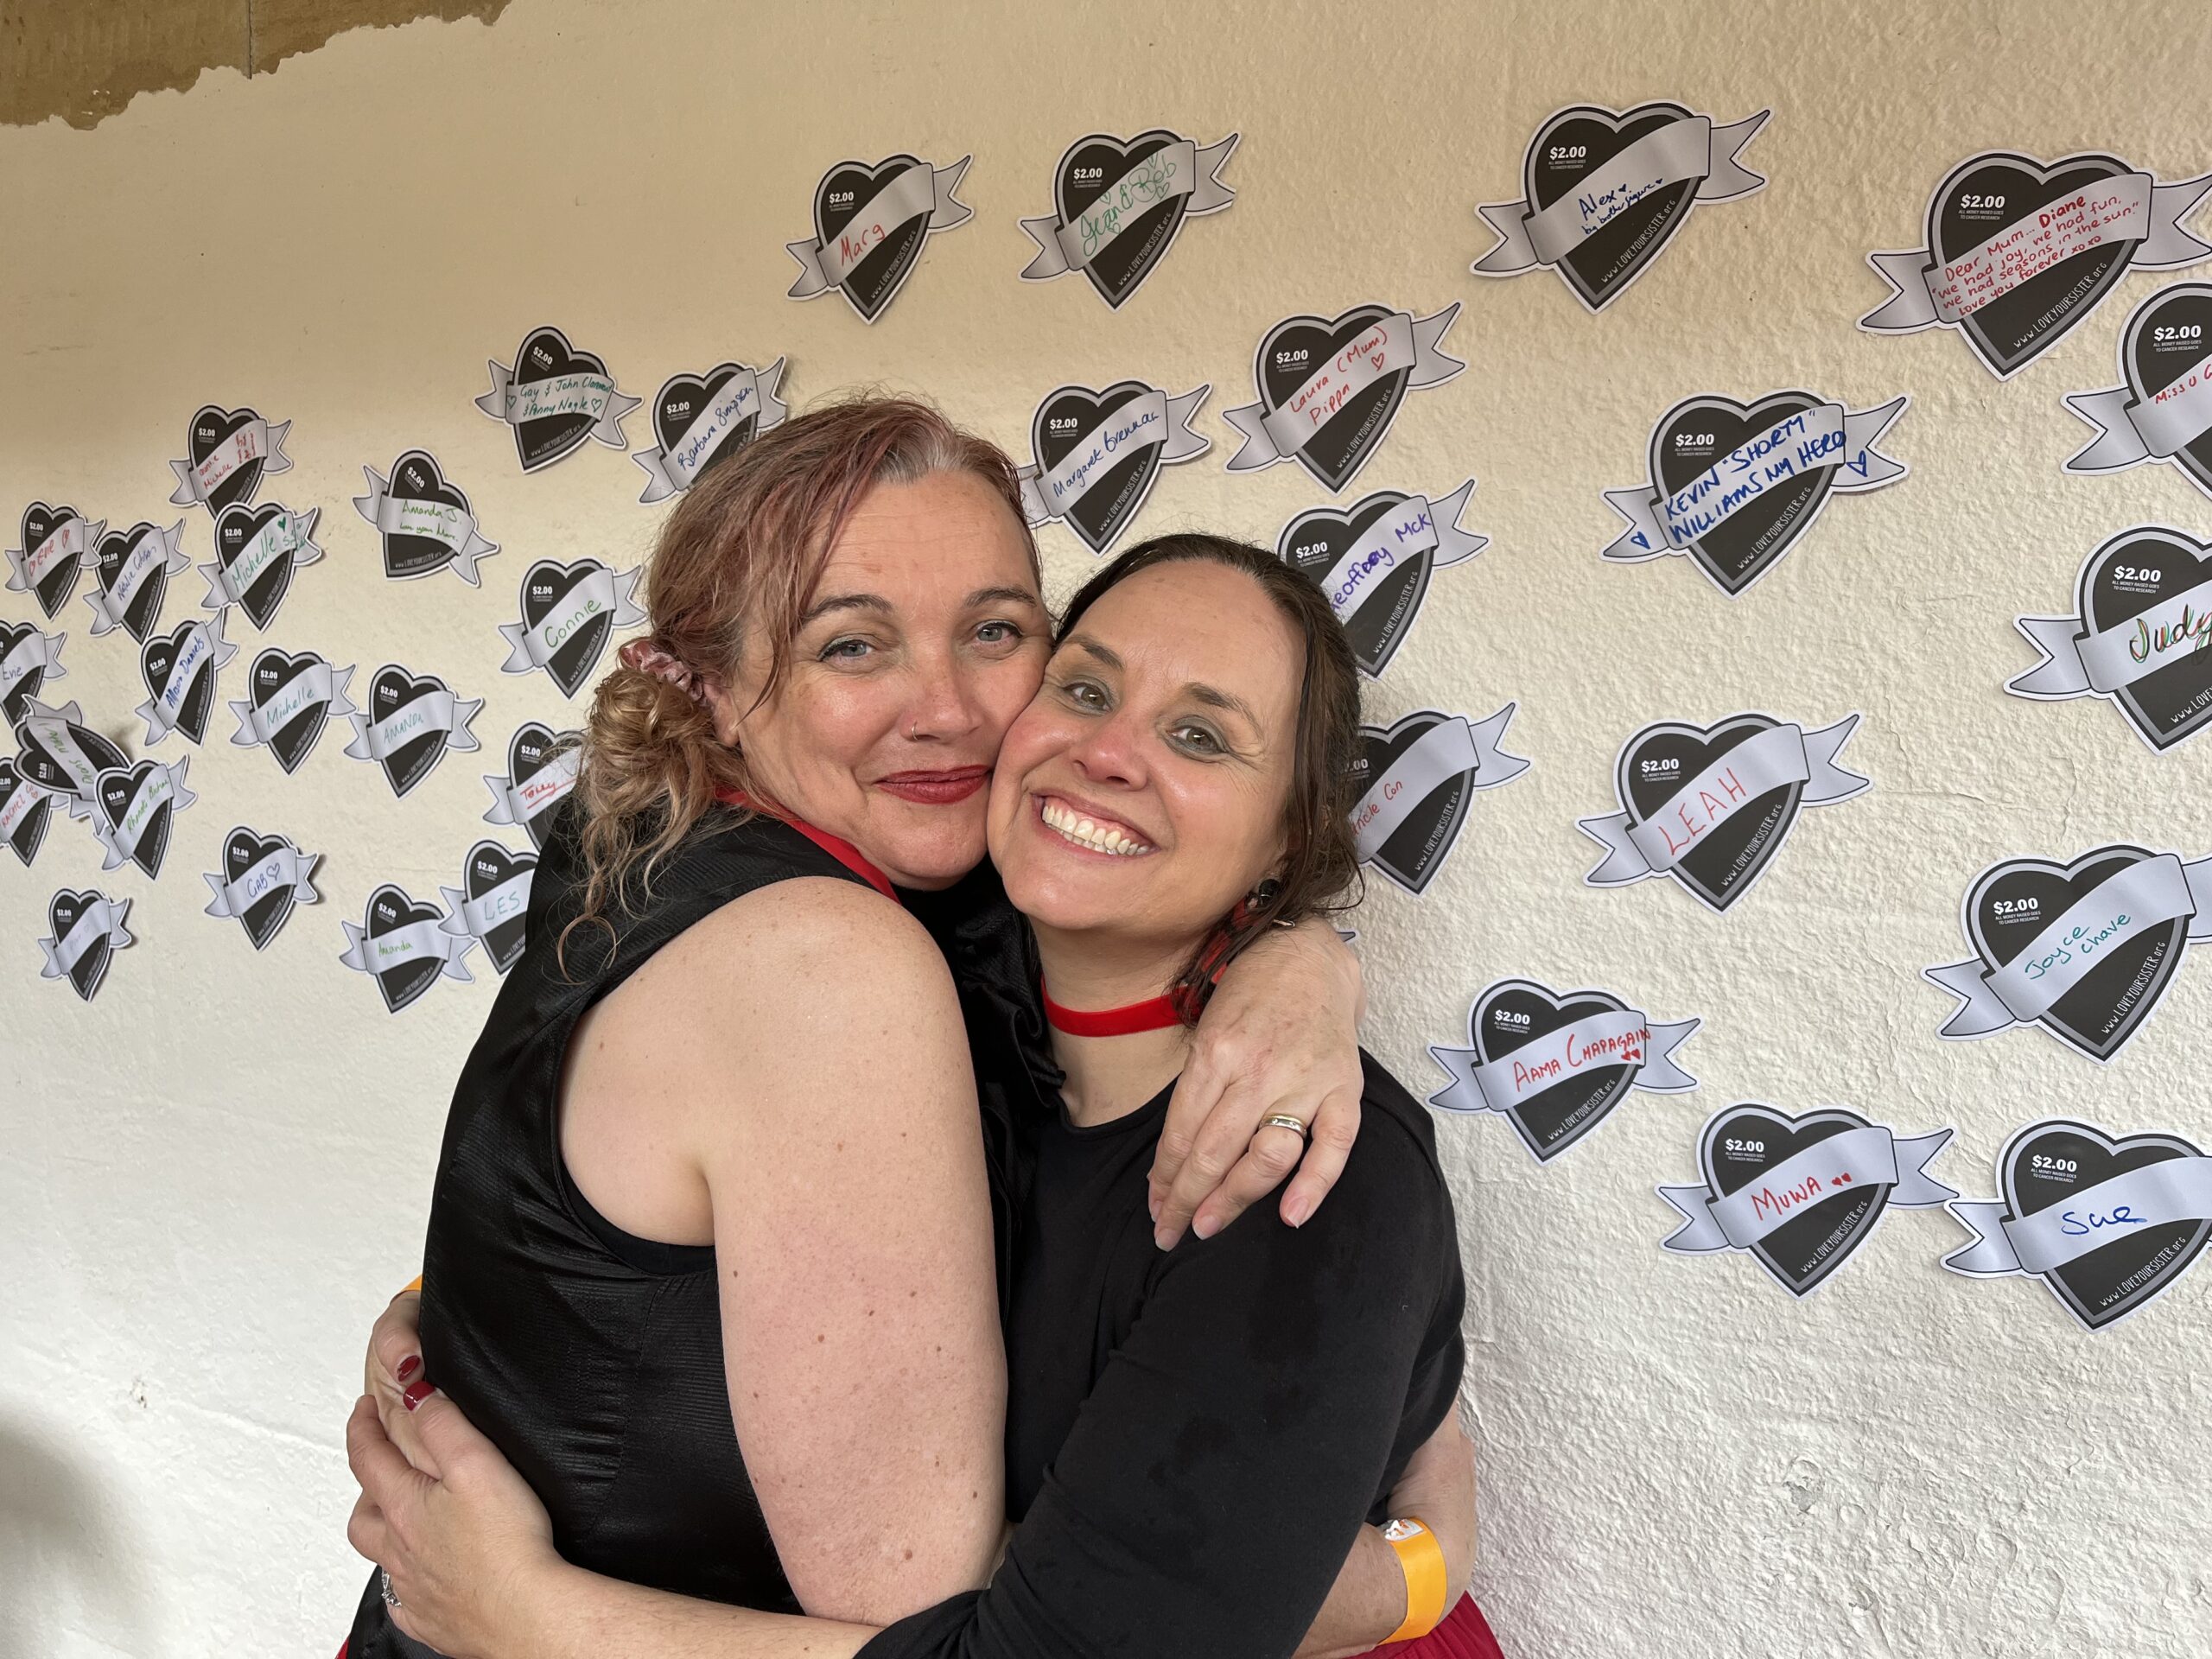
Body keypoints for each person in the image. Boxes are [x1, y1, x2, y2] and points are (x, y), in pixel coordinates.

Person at [339, 401, 1385, 1658]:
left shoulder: (650, 837)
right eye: (851, 646)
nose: (945, 709)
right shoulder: (832, 967)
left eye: (994, 632)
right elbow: (934, 1629)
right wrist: (1401, 1578)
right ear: (712, 690)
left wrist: (1299, 954)